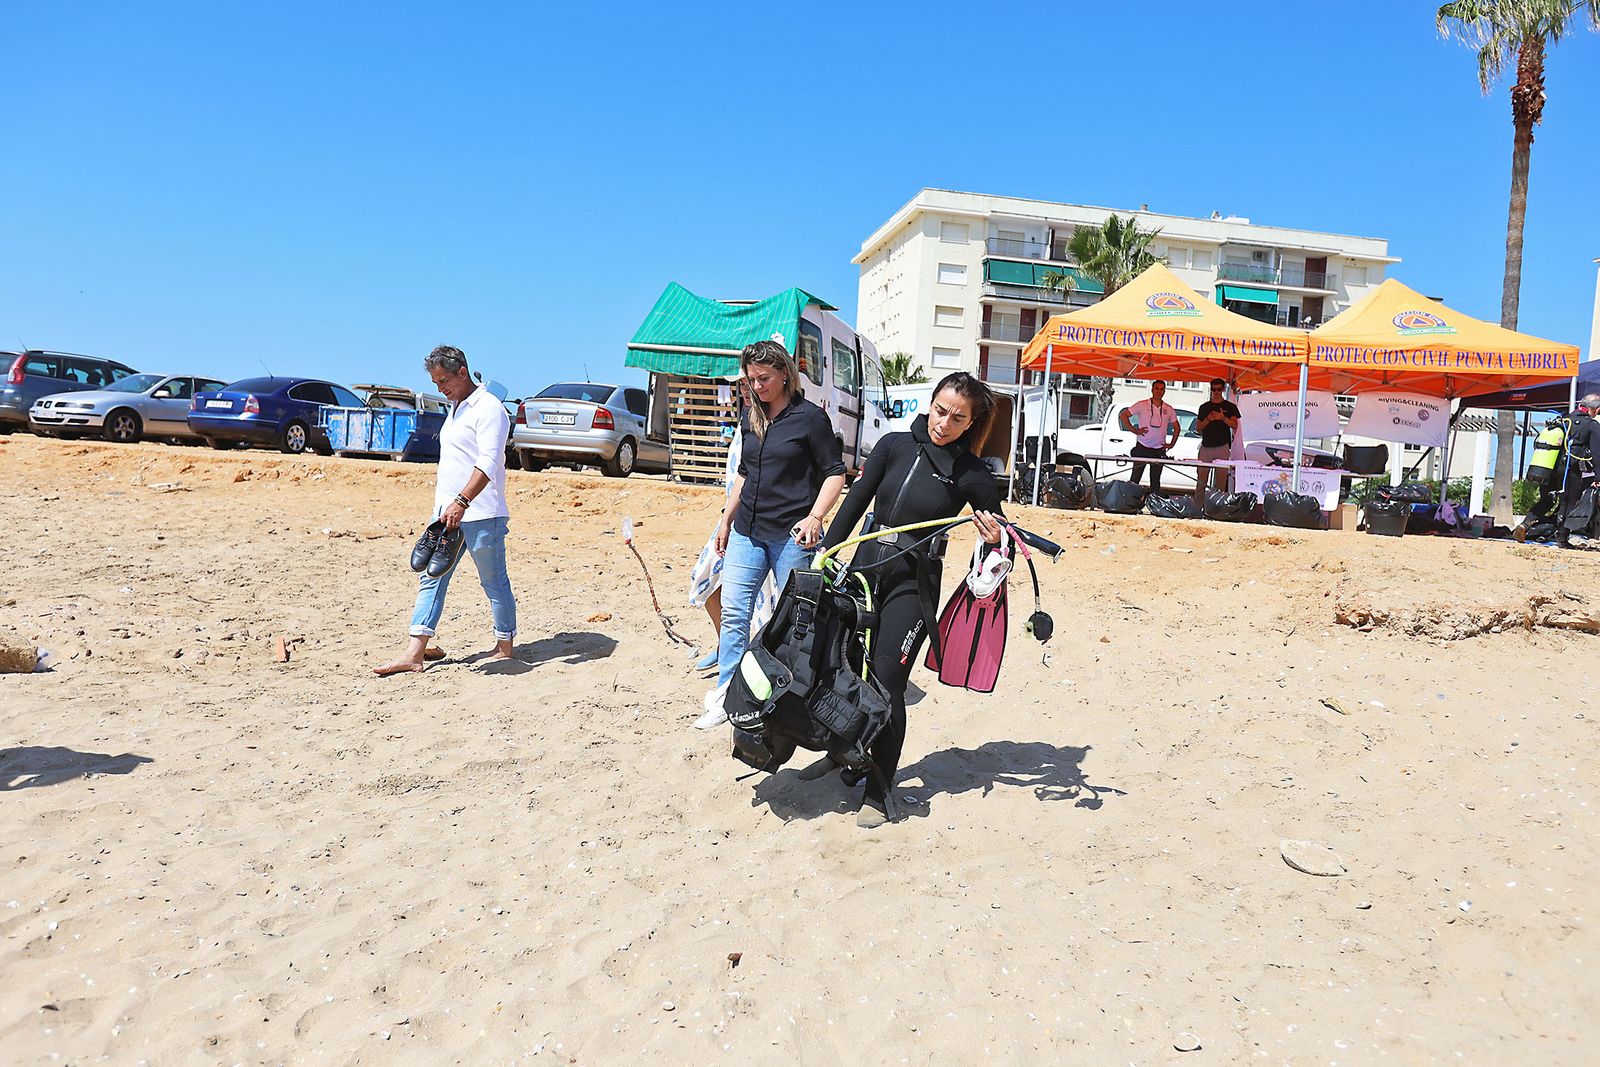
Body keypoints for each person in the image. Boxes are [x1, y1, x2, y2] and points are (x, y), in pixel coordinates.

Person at [812, 372, 1006, 828]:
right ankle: (843, 755)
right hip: (862, 570)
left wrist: (995, 540)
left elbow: (1002, 537)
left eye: (957, 418)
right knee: (844, 667)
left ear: (971, 423)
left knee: (887, 681)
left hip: (912, 585)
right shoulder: (893, 445)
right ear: (930, 403)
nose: (944, 423)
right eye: (940, 410)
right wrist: (826, 556)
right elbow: (855, 502)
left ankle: (879, 792)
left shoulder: (972, 473)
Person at [696, 339, 846, 728]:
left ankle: (789, 694)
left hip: (791, 537)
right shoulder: (751, 418)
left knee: (793, 618)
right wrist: (726, 521)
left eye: (763, 378)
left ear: (783, 374)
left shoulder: (810, 418)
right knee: (734, 613)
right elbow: (744, 474)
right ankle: (728, 693)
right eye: (751, 379)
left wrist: (815, 517)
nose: (757, 386)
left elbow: (835, 473)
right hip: (747, 532)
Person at [374, 346, 516, 675]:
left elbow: (488, 462)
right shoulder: (456, 408)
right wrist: (447, 505)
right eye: (436, 383)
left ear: (462, 372)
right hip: (446, 513)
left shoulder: (489, 408)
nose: (440, 389)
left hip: (482, 513)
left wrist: (462, 501)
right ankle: (414, 653)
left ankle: (504, 647)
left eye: (444, 381)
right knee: (431, 577)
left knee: (493, 581)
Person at [685, 380, 776, 673]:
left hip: (765, 524)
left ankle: (754, 662)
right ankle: (725, 643)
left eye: (752, 384)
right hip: (732, 518)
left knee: (763, 601)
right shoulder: (746, 419)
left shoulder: (777, 422)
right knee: (705, 578)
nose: (746, 390)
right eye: (742, 385)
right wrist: (726, 518)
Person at [1556, 394, 1600, 548]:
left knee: (1560, 501)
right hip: (1571, 466)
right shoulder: (1591, 425)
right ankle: (1562, 538)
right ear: (1596, 410)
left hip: (1553, 465)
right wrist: (1598, 476)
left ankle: (1555, 533)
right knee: (1571, 501)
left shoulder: (1565, 419)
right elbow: (1597, 453)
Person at [1119, 380, 1179, 492]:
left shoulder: (1168, 408)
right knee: (1135, 478)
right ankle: (1130, 500)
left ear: (1164, 391)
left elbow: (1177, 427)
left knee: (1155, 481)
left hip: (1159, 449)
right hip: (1142, 446)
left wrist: (1172, 444)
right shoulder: (1142, 404)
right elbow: (1123, 416)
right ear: (1152, 390)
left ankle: (1154, 501)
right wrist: (1134, 430)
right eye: (1157, 388)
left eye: (1162, 389)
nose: (1159, 391)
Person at [1193, 378, 1240, 498]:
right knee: (1201, 480)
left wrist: (1222, 418)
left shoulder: (1230, 406)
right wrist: (1208, 419)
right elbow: (1198, 428)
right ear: (1211, 390)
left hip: (1222, 446)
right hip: (1206, 446)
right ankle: (1198, 506)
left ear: (1223, 389)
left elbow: (1235, 425)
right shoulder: (1204, 407)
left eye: (1219, 389)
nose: (1216, 392)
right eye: (1214, 389)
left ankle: (1218, 505)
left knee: (1221, 481)